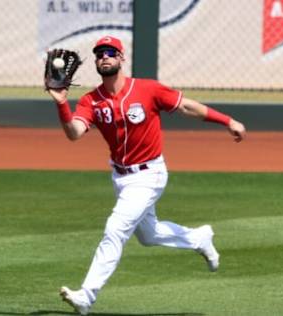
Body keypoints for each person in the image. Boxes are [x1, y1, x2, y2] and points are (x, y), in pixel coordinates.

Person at [47, 36, 246, 315]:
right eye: (99, 53)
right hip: (120, 178)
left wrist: (227, 121)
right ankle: (199, 239)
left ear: (121, 58)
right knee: (149, 235)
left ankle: (86, 296)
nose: (104, 57)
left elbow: (188, 106)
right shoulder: (92, 100)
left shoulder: (147, 89)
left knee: (115, 229)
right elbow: (74, 134)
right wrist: (60, 104)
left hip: (149, 174)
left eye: (110, 52)